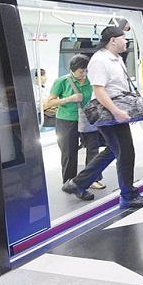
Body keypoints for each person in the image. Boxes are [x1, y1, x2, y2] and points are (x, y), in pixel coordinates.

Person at [61, 26, 143, 208]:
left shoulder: (116, 59)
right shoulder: (100, 60)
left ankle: (77, 183)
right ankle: (128, 196)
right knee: (126, 152)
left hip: (115, 112)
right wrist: (117, 112)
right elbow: (99, 90)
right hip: (108, 113)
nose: (126, 41)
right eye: (123, 37)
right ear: (113, 40)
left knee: (113, 150)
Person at [44, 54, 104, 188]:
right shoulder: (62, 81)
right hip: (67, 120)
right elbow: (48, 103)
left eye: (86, 70)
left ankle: (92, 179)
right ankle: (69, 182)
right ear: (72, 69)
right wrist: (69, 99)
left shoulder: (91, 80)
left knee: (93, 148)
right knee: (69, 151)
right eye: (81, 71)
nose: (84, 74)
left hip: (88, 118)